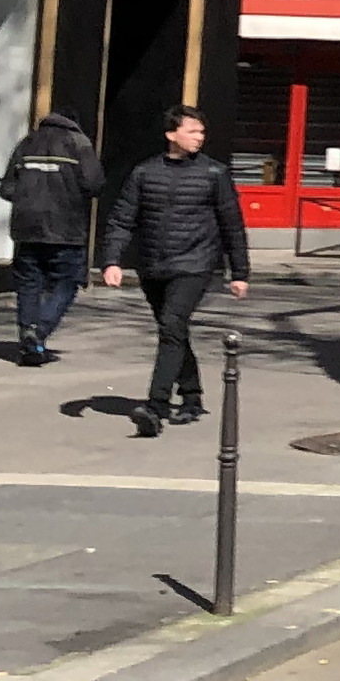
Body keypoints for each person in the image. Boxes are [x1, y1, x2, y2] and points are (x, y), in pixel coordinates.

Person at [100, 106, 248, 437]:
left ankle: (156, 404)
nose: (199, 137)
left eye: (201, 132)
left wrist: (239, 272)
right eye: (193, 131)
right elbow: (122, 219)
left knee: (171, 325)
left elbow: (232, 226)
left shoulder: (214, 174)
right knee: (174, 331)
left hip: (195, 264)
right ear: (172, 135)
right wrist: (112, 261)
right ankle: (192, 397)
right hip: (153, 265)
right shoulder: (145, 172)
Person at [1, 110, 104, 366]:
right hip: (66, 228)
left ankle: (29, 337)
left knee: (28, 284)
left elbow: (7, 188)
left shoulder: (27, 142)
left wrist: (29, 200)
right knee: (67, 283)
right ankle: (39, 332)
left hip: (26, 228)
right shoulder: (79, 143)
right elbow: (94, 184)